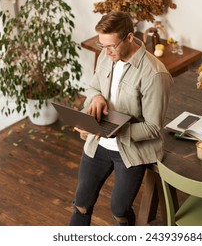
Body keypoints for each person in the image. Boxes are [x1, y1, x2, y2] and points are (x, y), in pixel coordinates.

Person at [70, 12, 173, 226]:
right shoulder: (107, 58)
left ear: (128, 37)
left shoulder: (154, 74)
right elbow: (92, 87)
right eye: (102, 46)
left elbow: (154, 127)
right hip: (98, 143)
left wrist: (113, 130)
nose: (106, 52)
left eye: (111, 46)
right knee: (81, 203)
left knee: (119, 210)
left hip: (130, 150)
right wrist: (96, 97)